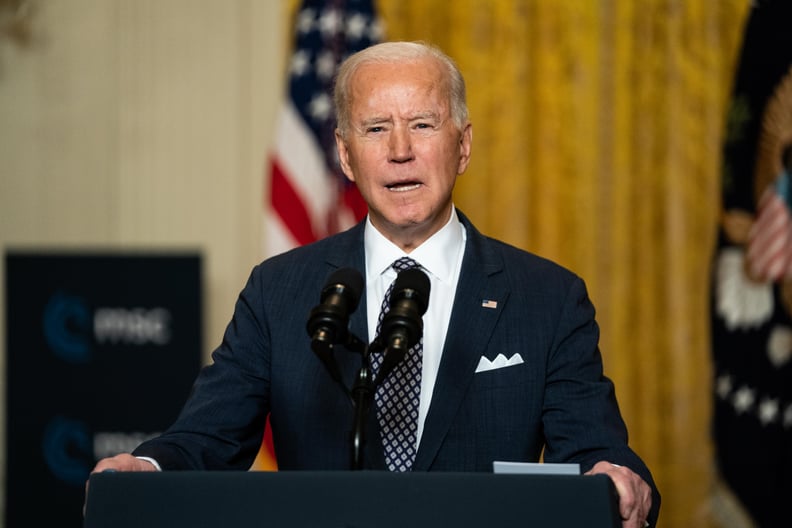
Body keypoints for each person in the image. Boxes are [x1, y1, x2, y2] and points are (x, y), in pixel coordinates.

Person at [90, 41, 659, 527]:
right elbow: (207, 438)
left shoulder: (548, 297)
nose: (399, 150)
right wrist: (148, 468)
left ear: (462, 145)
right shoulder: (280, 291)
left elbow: (595, 452)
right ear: (344, 154)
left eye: (422, 124)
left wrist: (616, 477)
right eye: (376, 128)